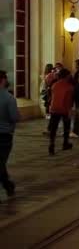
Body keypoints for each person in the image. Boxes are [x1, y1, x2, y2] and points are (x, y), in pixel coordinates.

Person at [0, 70, 18, 200]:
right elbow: (14, 117)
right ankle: (7, 185)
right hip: (4, 135)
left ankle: (8, 185)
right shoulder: (8, 98)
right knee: (0, 163)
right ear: (3, 80)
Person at [48, 69, 74, 155]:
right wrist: (70, 111)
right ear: (67, 76)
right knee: (66, 127)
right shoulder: (69, 87)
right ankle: (65, 143)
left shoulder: (54, 85)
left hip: (54, 108)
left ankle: (51, 144)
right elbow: (69, 101)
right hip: (64, 109)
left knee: (53, 128)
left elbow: (52, 97)